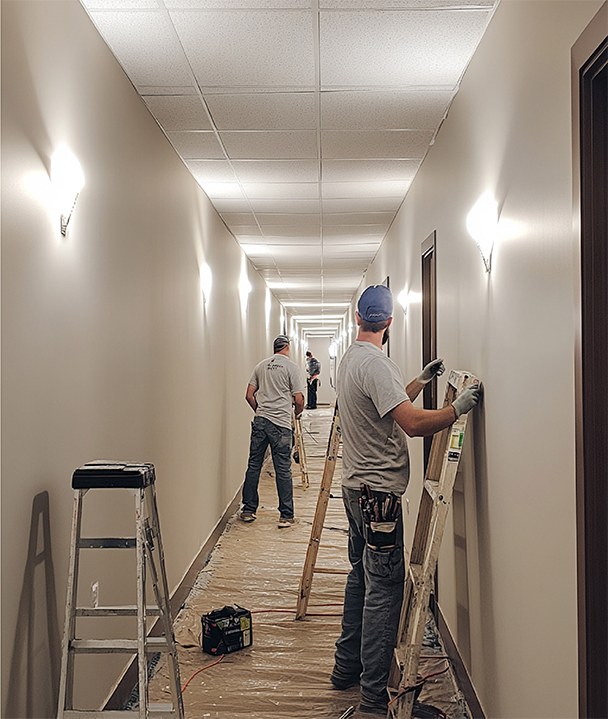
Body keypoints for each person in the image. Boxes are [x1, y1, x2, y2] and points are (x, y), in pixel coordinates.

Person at [330, 285, 482, 717]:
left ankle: (346, 668)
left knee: (361, 578)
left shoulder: (351, 359)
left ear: (359, 318)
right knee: (384, 592)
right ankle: (374, 701)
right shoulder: (377, 365)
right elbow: (412, 425)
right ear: (390, 323)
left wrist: (418, 380)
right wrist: (457, 410)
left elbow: (388, 405)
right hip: (378, 499)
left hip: (356, 491)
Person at [240, 335, 306, 529]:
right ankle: (286, 515)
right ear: (287, 347)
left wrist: (260, 412)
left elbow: (249, 395)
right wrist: (296, 413)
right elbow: (299, 398)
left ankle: (248, 510)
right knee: (283, 469)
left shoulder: (260, 366)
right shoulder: (291, 368)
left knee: (254, 465)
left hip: (260, 422)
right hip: (281, 425)